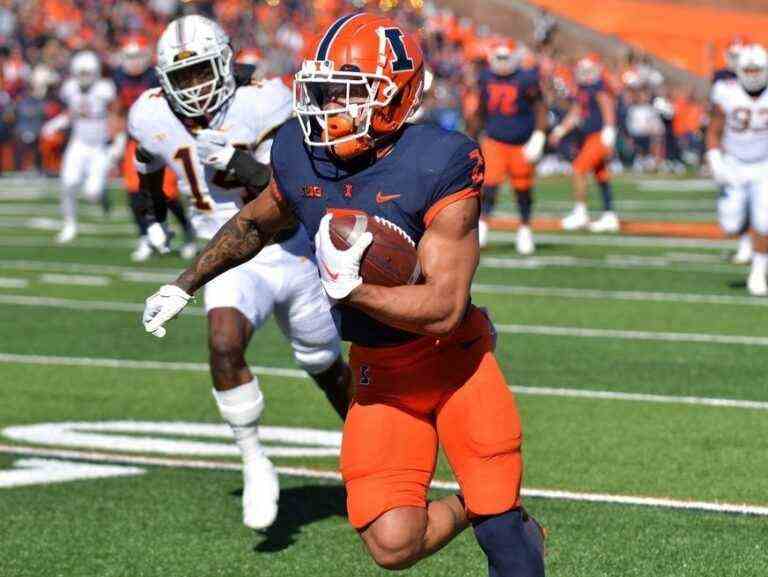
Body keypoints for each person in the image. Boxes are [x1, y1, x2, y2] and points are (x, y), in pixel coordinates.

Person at [141, 13, 545, 576]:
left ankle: (499, 514)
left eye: (349, 94)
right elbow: (255, 223)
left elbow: (445, 308)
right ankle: (477, 507)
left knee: (502, 528)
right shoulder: (302, 152)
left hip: (454, 363)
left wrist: (353, 292)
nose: (330, 108)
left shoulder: (440, 161)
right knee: (392, 544)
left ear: (396, 97)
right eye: (326, 92)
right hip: (380, 373)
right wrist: (184, 284)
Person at [129, 15, 351, 529]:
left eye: (202, 72)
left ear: (226, 64)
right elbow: (147, 162)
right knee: (224, 343)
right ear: (163, 82)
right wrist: (152, 217)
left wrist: (243, 165)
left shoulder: (264, 98)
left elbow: (306, 181)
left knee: (324, 363)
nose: (194, 87)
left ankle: (371, 456)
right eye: (181, 79)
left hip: (290, 245)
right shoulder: (149, 114)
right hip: (227, 255)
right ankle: (253, 458)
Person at [113, 35, 197, 262]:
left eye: (136, 55)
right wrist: (118, 138)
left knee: (167, 193)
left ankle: (188, 232)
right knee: (134, 193)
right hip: (135, 139)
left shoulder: (156, 76)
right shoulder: (118, 77)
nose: (133, 61)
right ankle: (145, 237)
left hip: (163, 138)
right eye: (129, 56)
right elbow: (119, 108)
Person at [469, 39, 546, 253]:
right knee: (489, 186)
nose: (502, 63)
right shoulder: (485, 77)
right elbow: (481, 109)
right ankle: (482, 226)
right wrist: (471, 135)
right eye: (499, 58)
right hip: (494, 140)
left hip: (521, 142)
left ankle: (525, 229)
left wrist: (539, 135)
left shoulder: (526, 78)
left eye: (506, 58)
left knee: (523, 189)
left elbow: (540, 107)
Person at [707, 44, 768, 296]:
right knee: (730, 225)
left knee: (765, 222)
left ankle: (758, 272)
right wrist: (714, 158)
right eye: (748, 70)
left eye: (757, 70)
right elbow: (713, 129)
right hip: (734, 163)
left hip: (764, 165)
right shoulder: (726, 93)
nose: (753, 74)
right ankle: (746, 234)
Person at [43, 50, 122, 243]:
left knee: (92, 193)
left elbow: (116, 115)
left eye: (88, 73)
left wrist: (118, 140)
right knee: (68, 183)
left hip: (99, 146)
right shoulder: (70, 87)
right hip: (78, 143)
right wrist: (57, 122)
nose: (84, 78)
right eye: (81, 73)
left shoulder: (105, 88)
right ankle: (69, 224)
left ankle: (101, 197)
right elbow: (71, 112)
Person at [550, 54, 619, 233]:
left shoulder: (599, 87)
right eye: (582, 70)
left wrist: (609, 130)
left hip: (599, 136)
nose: (584, 74)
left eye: (588, 70)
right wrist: (560, 130)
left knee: (579, 169)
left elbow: (607, 106)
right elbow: (575, 113)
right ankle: (609, 215)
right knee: (601, 174)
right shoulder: (583, 89)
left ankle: (581, 213)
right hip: (590, 136)